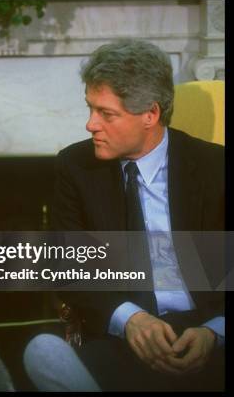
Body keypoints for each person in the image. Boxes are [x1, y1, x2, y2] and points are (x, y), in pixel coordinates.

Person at [24, 39, 225, 391]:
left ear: (150, 114)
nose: (90, 125)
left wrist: (215, 332)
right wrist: (130, 319)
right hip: (126, 341)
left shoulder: (214, 167)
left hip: (210, 337)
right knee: (41, 352)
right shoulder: (76, 166)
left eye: (106, 113)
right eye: (90, 108)